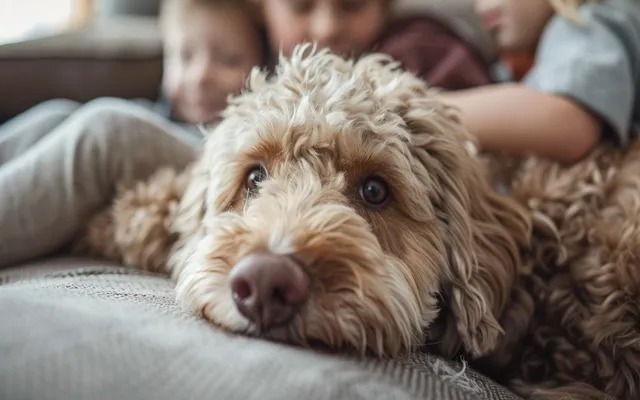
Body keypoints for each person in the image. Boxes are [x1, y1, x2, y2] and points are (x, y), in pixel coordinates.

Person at [0, 0, 265, 268]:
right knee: (55, 116)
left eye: (228, 60)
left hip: (207, 154)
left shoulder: (251, 133)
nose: (200, 76)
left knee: (106, 130)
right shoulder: (159, 111)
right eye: (185, 56)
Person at [441, 0, 640, 163]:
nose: (482, 7)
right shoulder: (521, 62)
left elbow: (568, 122)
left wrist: (429, 109)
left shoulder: (586, 19)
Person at [258, 0, 496, 91]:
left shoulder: (424, 50)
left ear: (385, 7)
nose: (327, 28)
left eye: (352, 6)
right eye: (301, 7)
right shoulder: (241, 60)